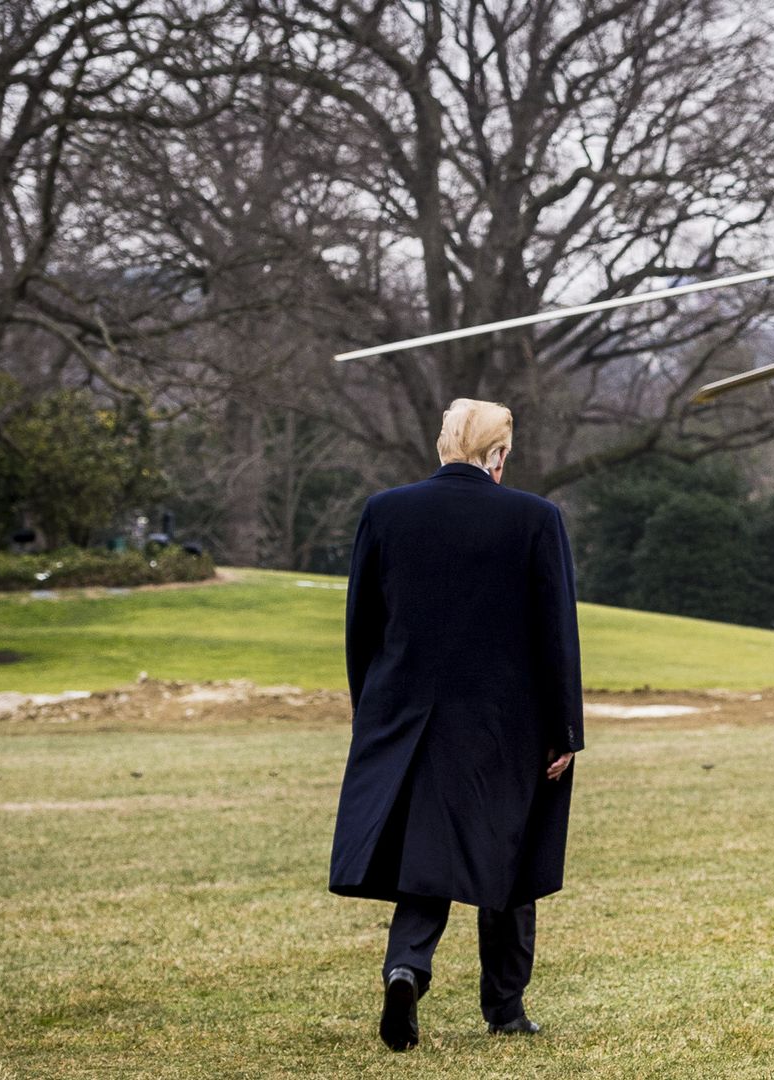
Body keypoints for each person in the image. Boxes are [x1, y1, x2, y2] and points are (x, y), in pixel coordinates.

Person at [328, 398, 584, 1052]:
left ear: (443, 445)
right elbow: (556, 634)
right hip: (507, 721)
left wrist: (374, 714)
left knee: (427, 858)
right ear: (499, 455)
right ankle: (505, 1006)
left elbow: (363, 626)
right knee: (509, 854)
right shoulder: (536, 518)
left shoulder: (386, 511)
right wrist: (565, 729)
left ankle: (407, 967)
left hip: (407, 716)